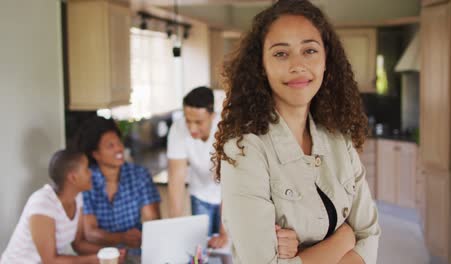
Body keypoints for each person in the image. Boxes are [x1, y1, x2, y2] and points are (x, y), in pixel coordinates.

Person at [212, 0, 381, 263]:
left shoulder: (338, 138)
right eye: (281, 53)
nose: (297, 65)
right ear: (261, 66)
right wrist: (345, 237)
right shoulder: (245, 149)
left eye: (310, 50)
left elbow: (370, 235)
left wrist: (303, 255)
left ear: (327, 60)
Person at [1, 149, 125, 264]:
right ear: (73, 177)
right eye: (86, 169)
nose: (91, 173)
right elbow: (50, 261)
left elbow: (79, 244)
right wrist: (95, 259)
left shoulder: (78, 197)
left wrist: (110, 253)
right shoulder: (42, 203)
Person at [73, 116, 161, 259]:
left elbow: (153, 223)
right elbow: (90, 233)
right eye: (110, 146)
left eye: (118, 142)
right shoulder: (86, 182)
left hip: (135, 254)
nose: (119, 148)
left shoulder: (139, 175)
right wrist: (121, 238)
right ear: (96, 154)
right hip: (102, 256)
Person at [167, 86, 228, 248]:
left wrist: (224, 231)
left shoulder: (227, 128)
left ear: (213, 116)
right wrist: (174, 227)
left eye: (198, 122)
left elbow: (230, 182)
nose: (192, 128)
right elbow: (176, 182)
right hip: (200, 194)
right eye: (188, 120)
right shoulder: (178, 129)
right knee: (201, 249)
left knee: (226, 247)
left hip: (229, 194)